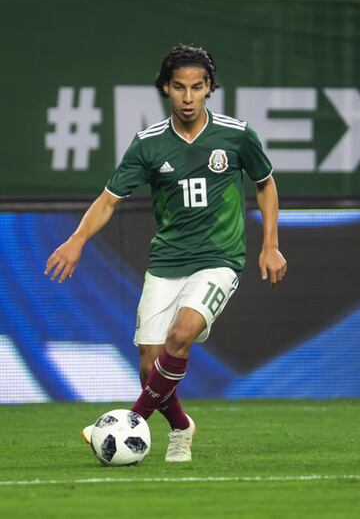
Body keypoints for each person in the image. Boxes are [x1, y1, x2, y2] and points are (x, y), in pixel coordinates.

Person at [45, 44, 287, 462]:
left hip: (219, 259)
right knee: (149, 364)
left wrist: (270, 245)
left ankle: (128, 424)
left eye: (197, 87)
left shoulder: (236, 134)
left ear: (210, 88)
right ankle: (181, 427)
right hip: (167, 262)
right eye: (179, 87)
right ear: (165, 89)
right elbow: (108, 200)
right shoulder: (148, 145)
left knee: (181, 336)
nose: (188, 97)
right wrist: (78, 238)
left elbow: (265, 183)